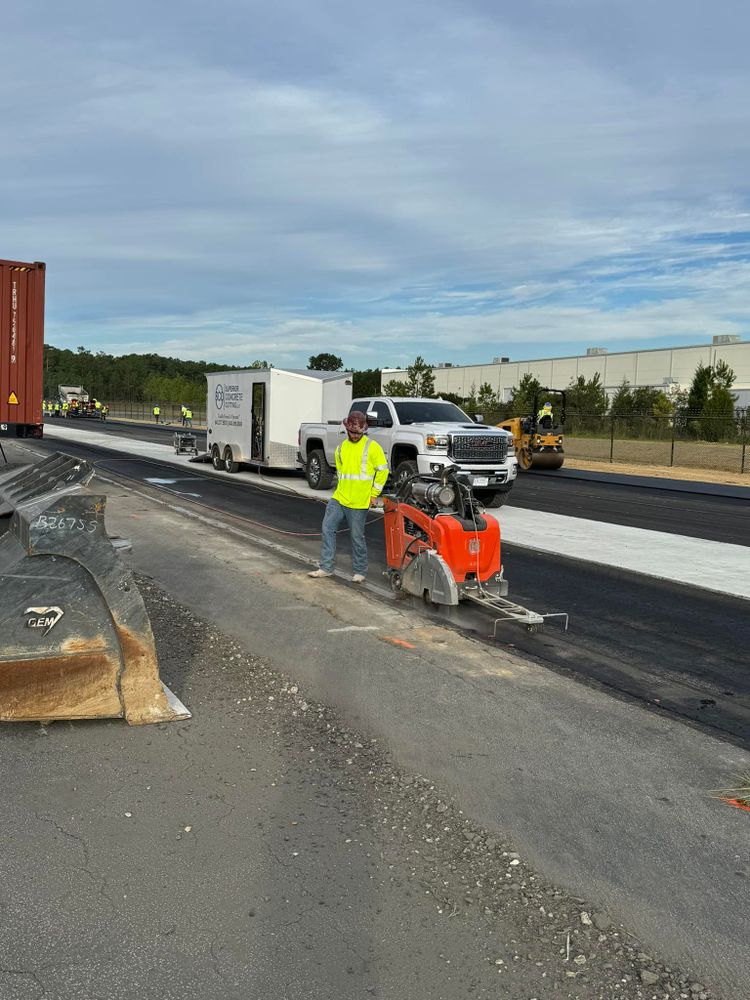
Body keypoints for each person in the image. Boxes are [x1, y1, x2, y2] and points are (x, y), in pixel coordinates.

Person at [309, 411, 389, 583]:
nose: (354, 435)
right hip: (339, 497)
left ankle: (360, 571)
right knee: (328, 528)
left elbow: (383, 471)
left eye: (358, 432)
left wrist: (374, 494)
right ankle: (326, 567)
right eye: (351, 432)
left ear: (364, 430)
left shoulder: (372, 447)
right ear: (346, 429)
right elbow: (342, 473)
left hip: (359, 502)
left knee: (356, 537)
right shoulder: (340, 449)